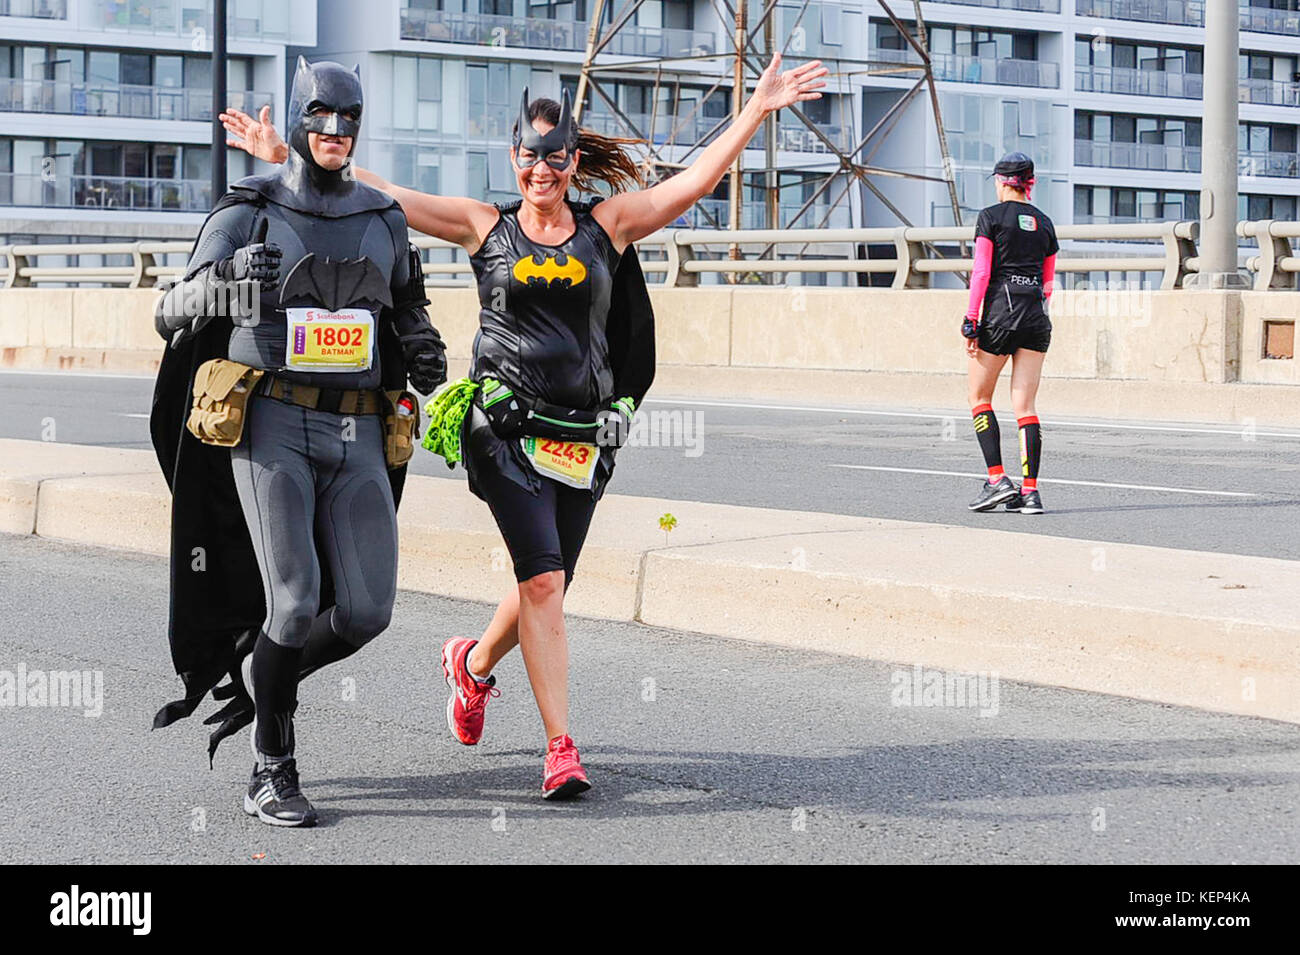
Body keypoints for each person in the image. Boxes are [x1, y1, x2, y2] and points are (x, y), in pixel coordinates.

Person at [221, 53, 828, 799]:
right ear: (514, 156)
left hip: (579, 437)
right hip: (500, 430)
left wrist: (757, 110)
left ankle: (472, 665)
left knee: (549, 581)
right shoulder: (485, 227)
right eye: (530, 155)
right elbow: (378, 196)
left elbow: (694, 183)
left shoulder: (609, 226)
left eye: (556, 155)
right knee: (542, 579)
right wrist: (291, 154)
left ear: (573, 160)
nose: (542, 169)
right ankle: (561, 749)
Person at [152, 57, 447, 828]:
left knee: (365, 610)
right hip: (271, 420)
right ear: (296, 119)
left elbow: (408, 305)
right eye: (321, 116)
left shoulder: (383, 216)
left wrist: (423, 348)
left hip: (356, 426)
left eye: (348, 118)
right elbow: (169, 308)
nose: (335, 131)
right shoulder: (247, 207)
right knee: (294, 600)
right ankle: (271, 766)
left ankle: (265, 672)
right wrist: (230, 281)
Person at [962, 151, 1057, 516]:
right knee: (1025, 407)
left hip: (1000, 315)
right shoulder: (1045, 222)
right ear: (1029, 183)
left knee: (979, 397)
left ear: (1001, 182)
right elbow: (1048, 284)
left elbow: (982, 273)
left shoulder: (990, 217)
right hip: (1035, 317)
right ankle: (1030, 493)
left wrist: (972, 320)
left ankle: (998, 479)